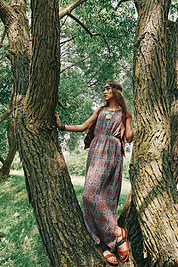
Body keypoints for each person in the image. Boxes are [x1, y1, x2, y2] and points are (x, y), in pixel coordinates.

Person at [55, 80, 134, 265]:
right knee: (89, 195)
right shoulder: (100, 111)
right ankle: (117, 234)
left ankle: (107, 246)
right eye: (104, 89)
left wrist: (136, 122)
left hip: (113, 154)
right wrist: (61, 126)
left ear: (116, 91)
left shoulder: (125, 114)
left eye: (108, 88)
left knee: (107, 200)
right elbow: (83, 127)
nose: (104, 91)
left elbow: (129, 137)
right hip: (96, 152)